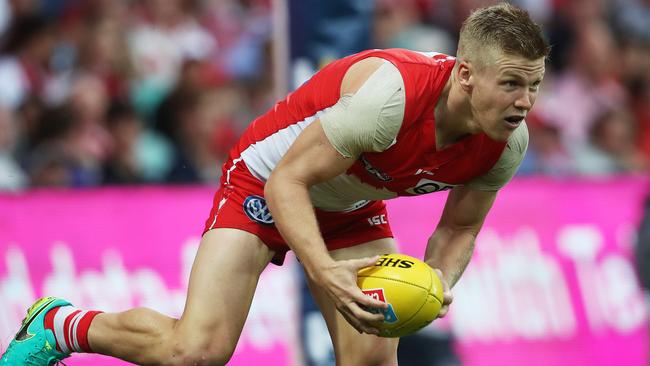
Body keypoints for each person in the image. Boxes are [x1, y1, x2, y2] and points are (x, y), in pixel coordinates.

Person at [1, 3, 549, 365]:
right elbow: (288, 182)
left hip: (349, 200)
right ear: (466, 74)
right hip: (265, 182)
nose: (524, 103)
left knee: (371, 360)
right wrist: (324, 271)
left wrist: (436, 284)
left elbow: (458, 227)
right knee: (196, 352)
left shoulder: (508, 141)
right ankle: (60, 324)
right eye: (511, 84)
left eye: (534, 85)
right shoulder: (393, 96)